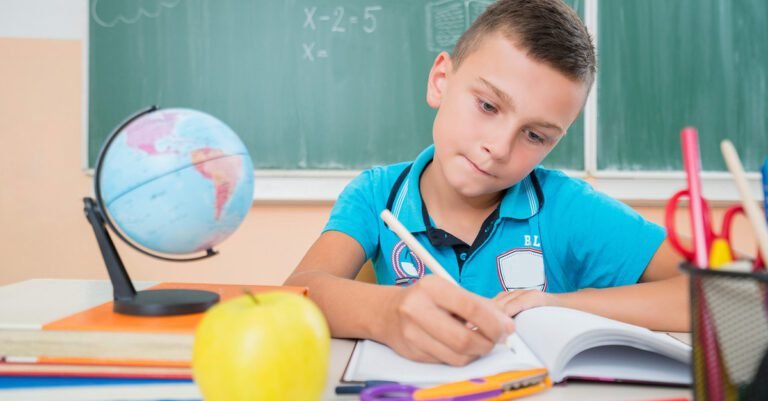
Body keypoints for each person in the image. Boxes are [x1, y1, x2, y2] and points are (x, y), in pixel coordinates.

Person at [284, 0, 687, 367]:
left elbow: (718, 294)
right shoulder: (376, 195)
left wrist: (555, 305)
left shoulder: (567, 207)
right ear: (441, 80)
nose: (498, 147)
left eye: (535, 135)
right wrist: (387, 313)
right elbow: (298, 292)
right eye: (488, 106)